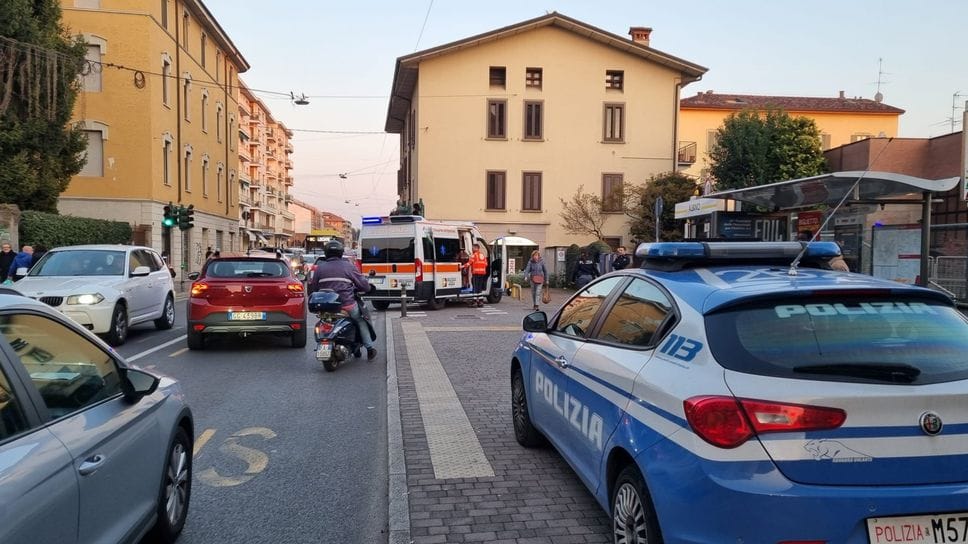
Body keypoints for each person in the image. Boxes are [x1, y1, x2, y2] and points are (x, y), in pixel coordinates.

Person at [307, 240, 377, 360]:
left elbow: (313, 288)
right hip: (346, 305)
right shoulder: (349, 266)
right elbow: (363, 285)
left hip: (325, 306)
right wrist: (369, 288)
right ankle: (369, 348)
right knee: (361, 320)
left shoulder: (320, 268)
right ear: (340, 252)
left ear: (326, 253)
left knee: (323, 322)